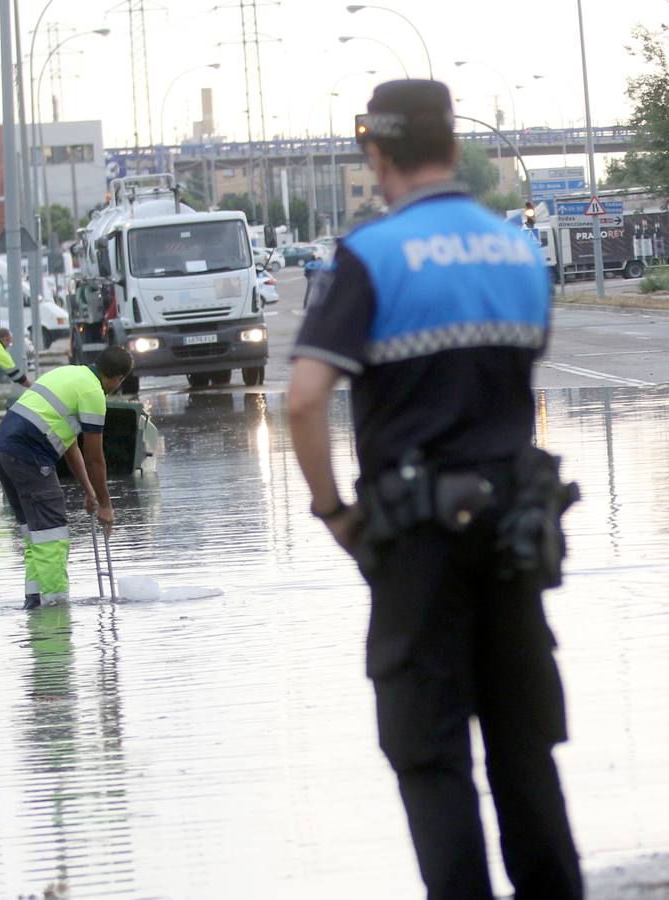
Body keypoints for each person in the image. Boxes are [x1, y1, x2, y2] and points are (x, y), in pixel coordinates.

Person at [287, 79, 583, 899]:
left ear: (376, 155)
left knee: (431, 753)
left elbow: (306, 399)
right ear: (455, 147)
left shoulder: (371, 258)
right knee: (524, 749)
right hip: (518, 532)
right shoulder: (518, 251)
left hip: (416, 544)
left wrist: (334, 512)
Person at [0, 346, 133, 610]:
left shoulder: (69, 375)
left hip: (2, 453)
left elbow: (70, 445)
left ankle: (34, 602)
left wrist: (89, 490)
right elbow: (94, 457)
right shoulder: (93, 393)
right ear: (117, 378)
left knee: (36, 534)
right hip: (29, 456)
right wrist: (106, 504)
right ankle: (55, 607)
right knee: (52, 534)